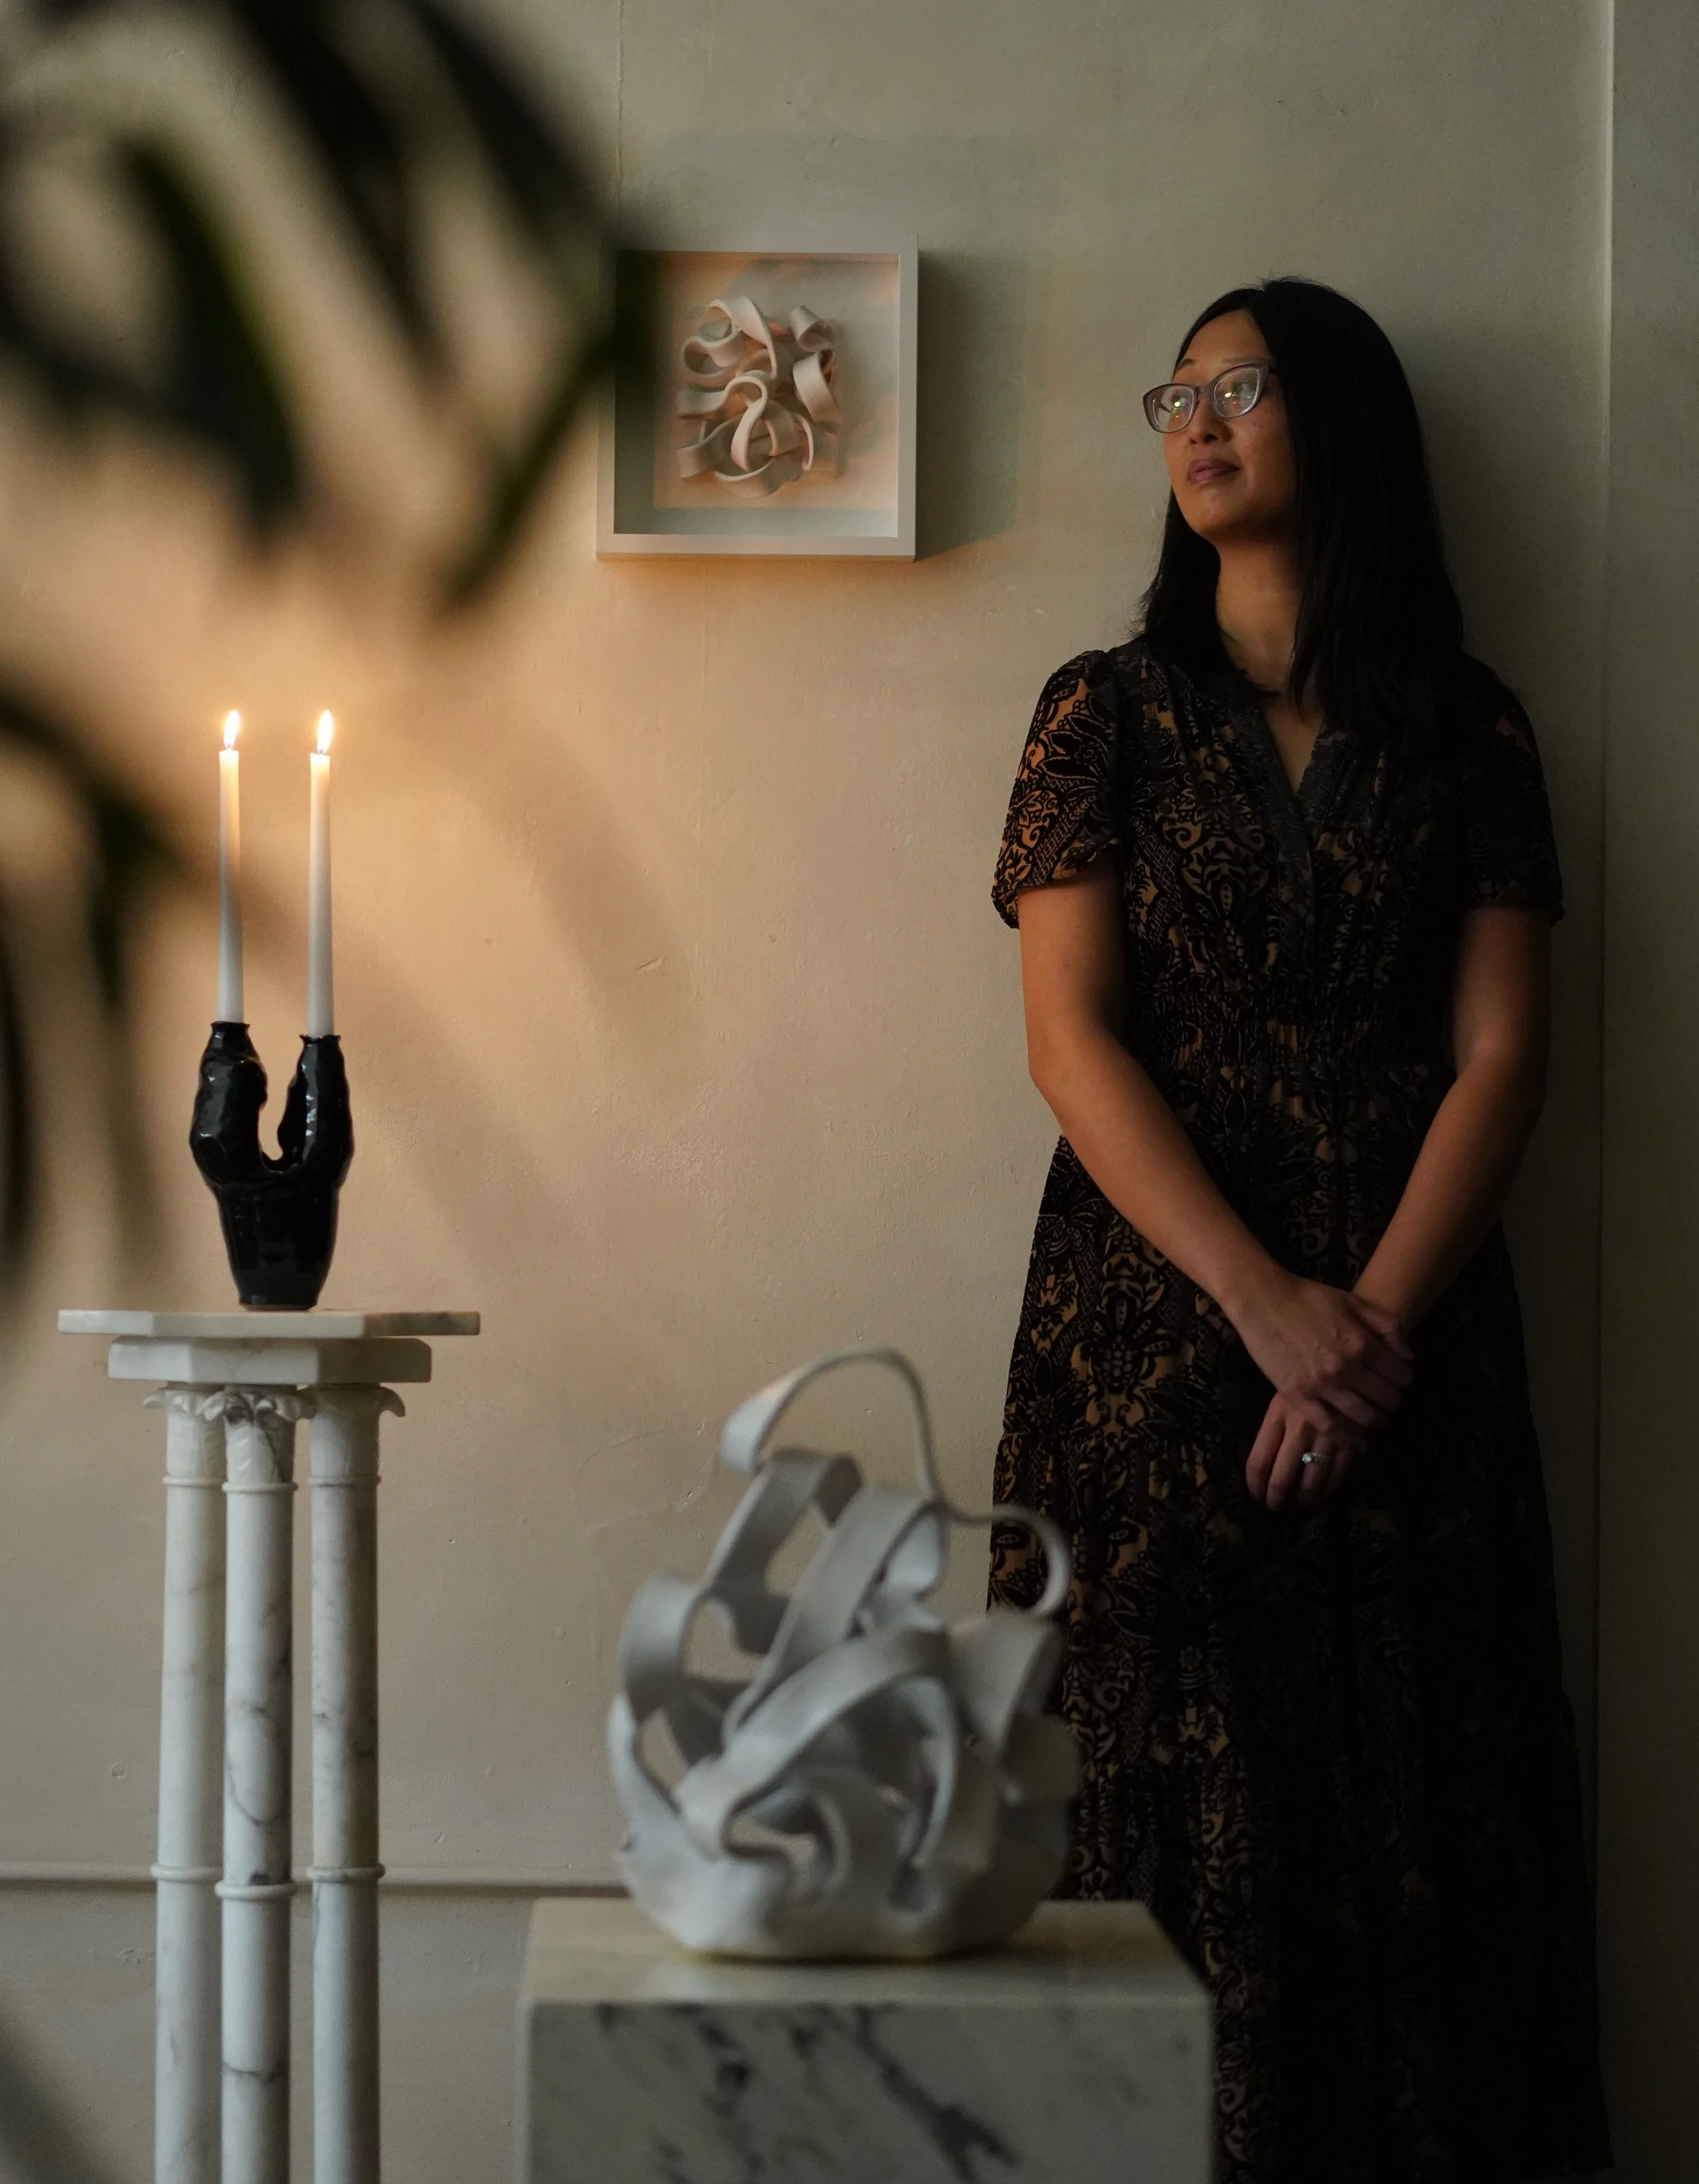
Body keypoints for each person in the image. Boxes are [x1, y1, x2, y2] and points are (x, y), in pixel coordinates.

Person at [987, 277, 1612, 2183]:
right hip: (1146, 1329)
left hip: (1410, 1342)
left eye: (1241, 384)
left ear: (1340, 420)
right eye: (1175, 388)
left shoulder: (1468, 727)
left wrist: (1367, 1338)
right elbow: (1067, 1039)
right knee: (1153, 1803)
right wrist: (1267, 1306)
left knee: (1414, 1800)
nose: (1197, 417)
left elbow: (1499, 1063)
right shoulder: (1099, 710)